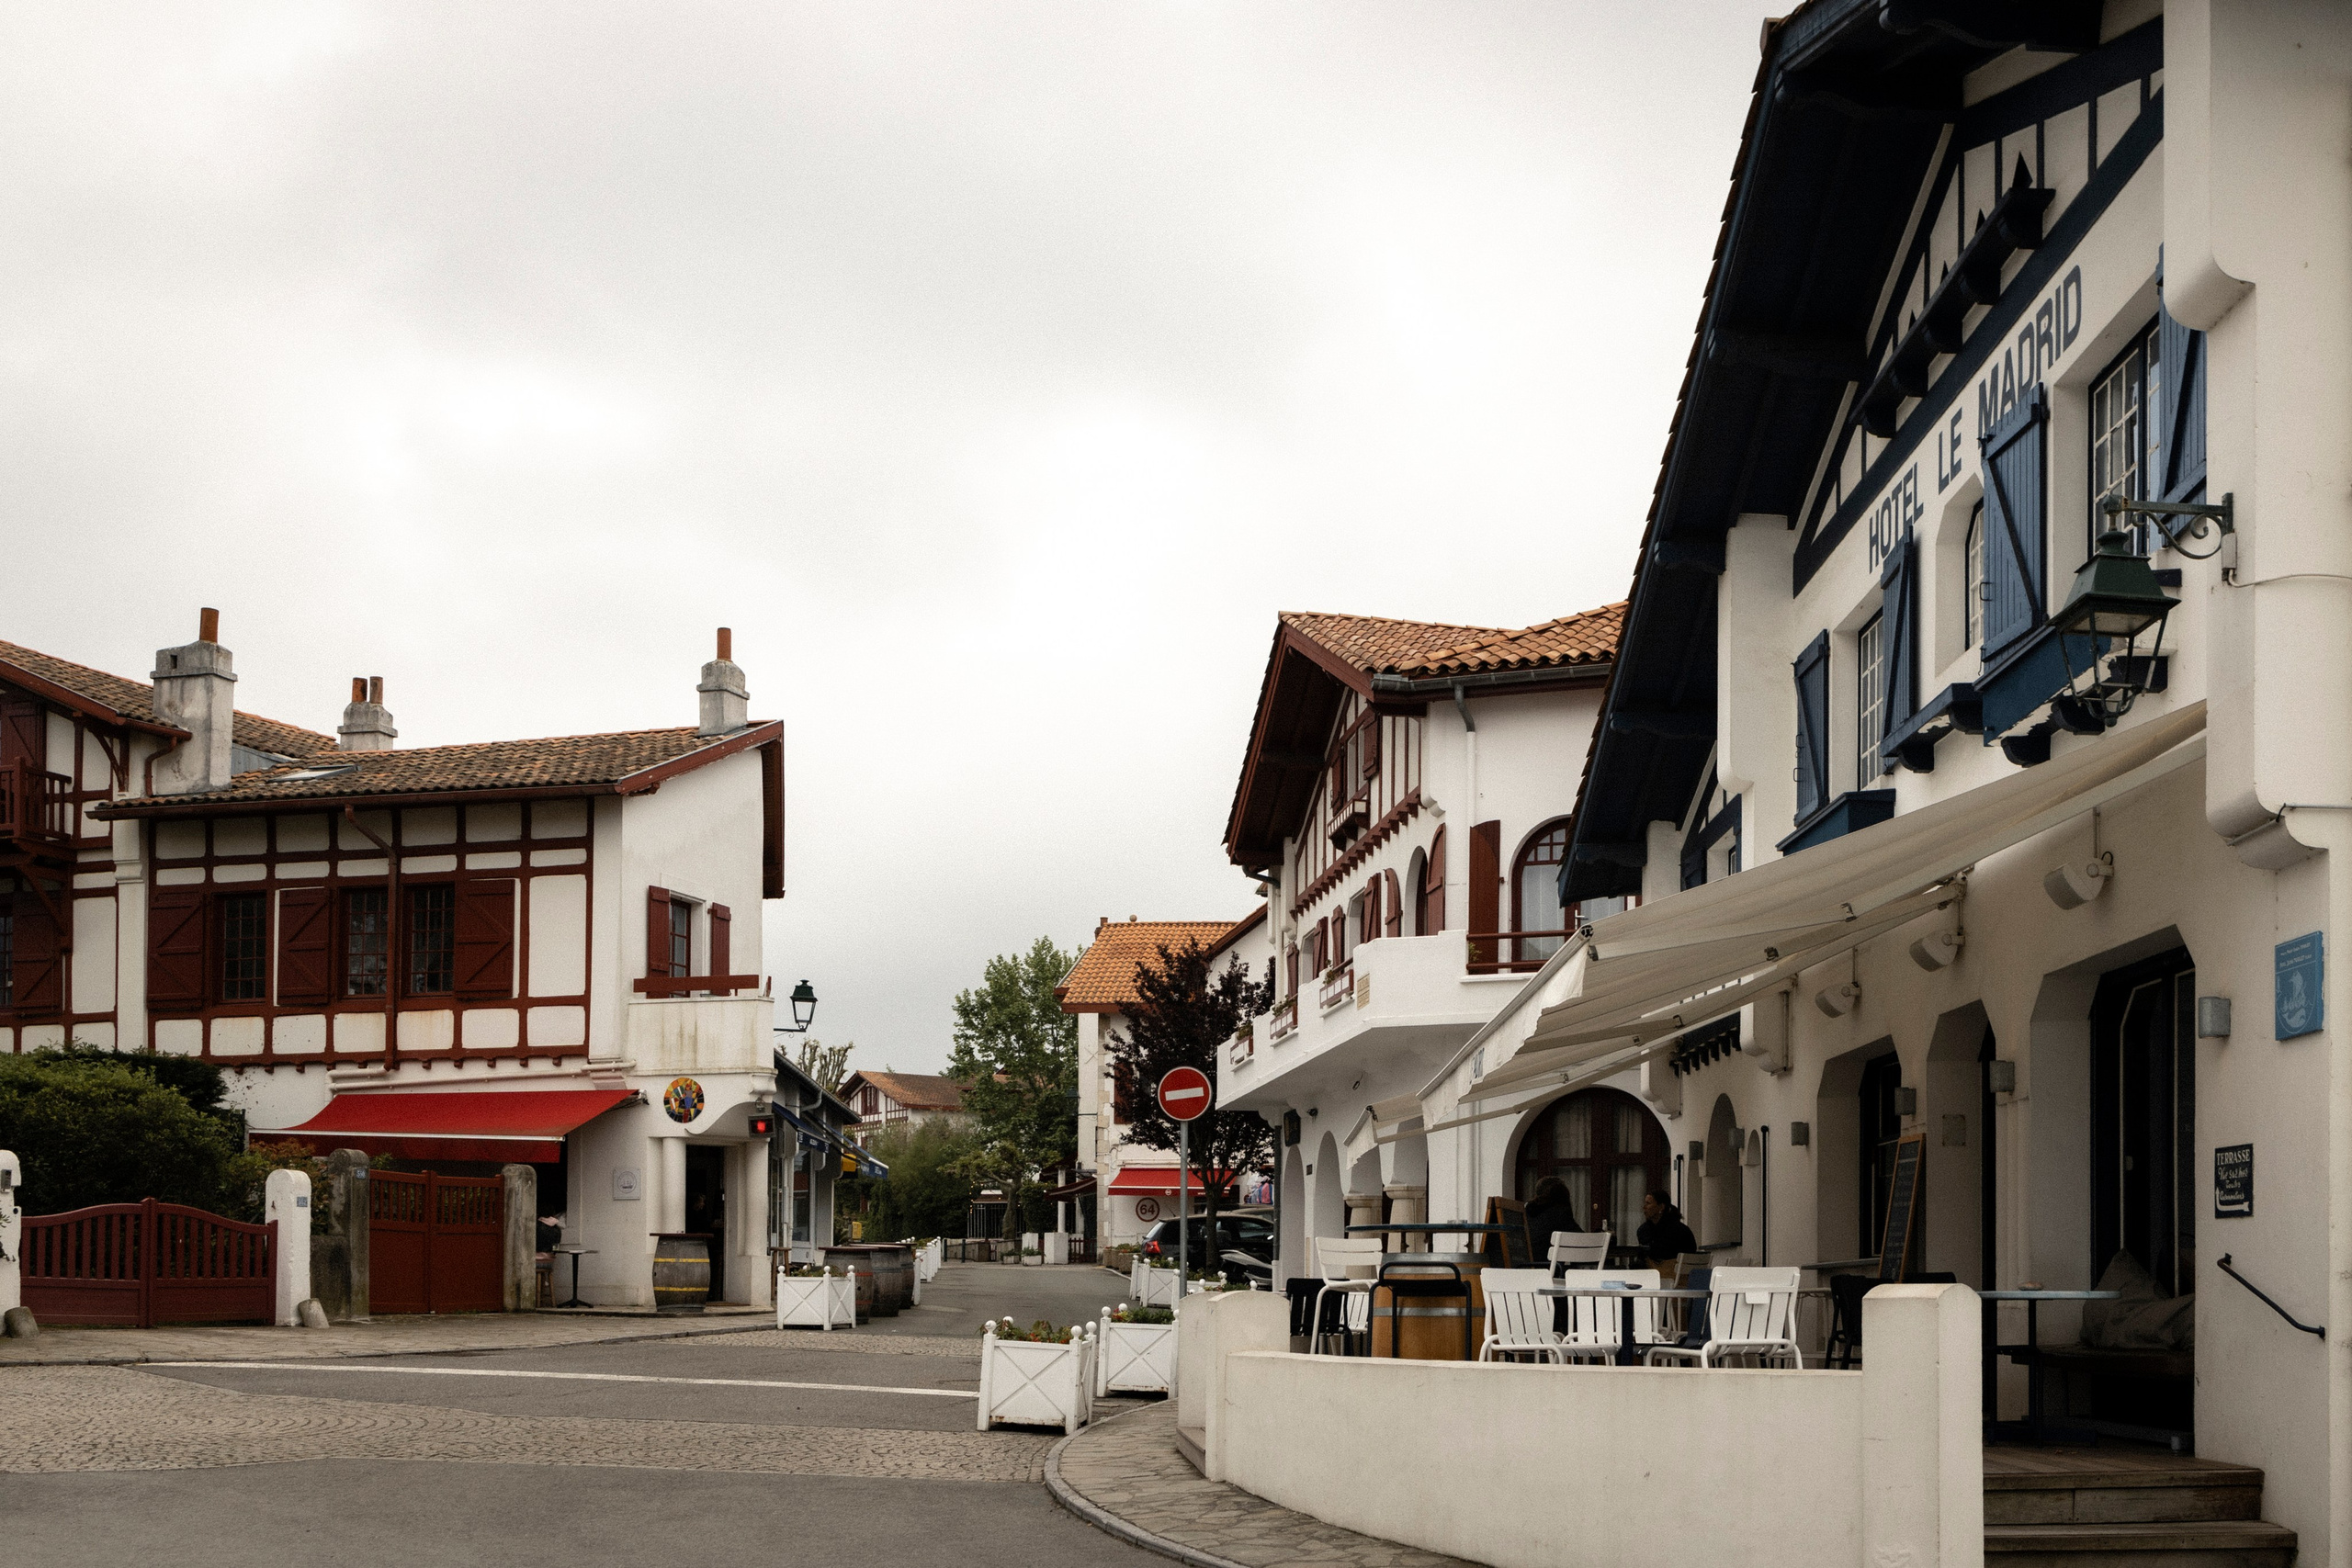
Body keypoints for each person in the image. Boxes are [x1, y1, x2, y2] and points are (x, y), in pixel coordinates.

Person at [1636, 1189, 1697, 1275]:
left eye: (1648, 1203)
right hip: (1685, 1278)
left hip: (1665, 1276)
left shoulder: (1677, 1231)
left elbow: (1658, 1254)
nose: (1644, 1207)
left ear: (1661, 1207)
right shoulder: (1682, 1228)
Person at [1521, 1177, 1582, 1261]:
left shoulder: (1526, 1211)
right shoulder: (1560, 1213)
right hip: (1548, 1268)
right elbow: (1581, 1240)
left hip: (1525, 1266)